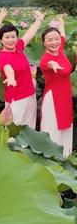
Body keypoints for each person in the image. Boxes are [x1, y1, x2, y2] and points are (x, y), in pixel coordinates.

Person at [0, 10, 44, 128]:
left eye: (13, 36)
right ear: (1, 40)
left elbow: (30, 34)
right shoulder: (2, 57)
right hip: (16, 99)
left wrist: (39, 20)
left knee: (29, 128)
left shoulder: (18, 47)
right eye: (7, 37)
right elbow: (8, 68)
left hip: (30, 94)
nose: (11, 40)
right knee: (15, 129)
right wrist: (11, 78)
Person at [39, 16, 74, 156]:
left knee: (66, 126)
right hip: (53, 98)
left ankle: (65, 156)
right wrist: (53, 64)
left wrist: (61, 23)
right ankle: (52, 158)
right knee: (53, 128)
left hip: (65, 97)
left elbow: (63, 36)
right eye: (50, 40)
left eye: (56, 39)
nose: (54, 42)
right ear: (44, 42)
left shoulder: (60, 50)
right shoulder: (45, 59)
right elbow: (46, 65)